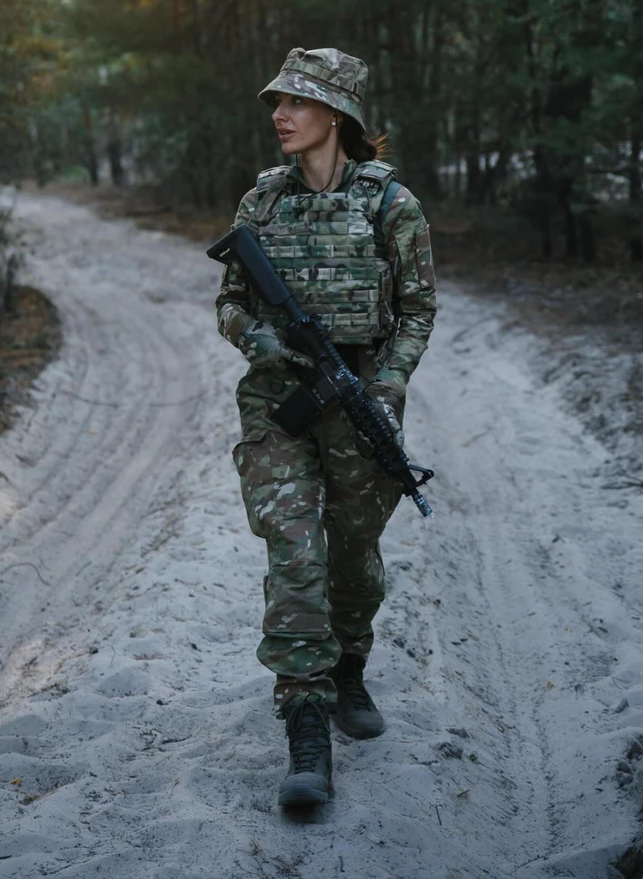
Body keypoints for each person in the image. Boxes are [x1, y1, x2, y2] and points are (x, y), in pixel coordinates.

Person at [215, 46, 436, 809]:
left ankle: (347, 665)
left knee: (352, 559)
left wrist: (387, 380)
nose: (280, 114)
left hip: (360, 403)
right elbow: (231, 302)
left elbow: (416, 311)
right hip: (278, 403)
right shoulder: (261, 205)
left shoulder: (390, 206)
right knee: (295, 551)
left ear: (336, 115)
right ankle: (305, 723)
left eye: (297, 103)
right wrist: (258, 342)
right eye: (277, 102)